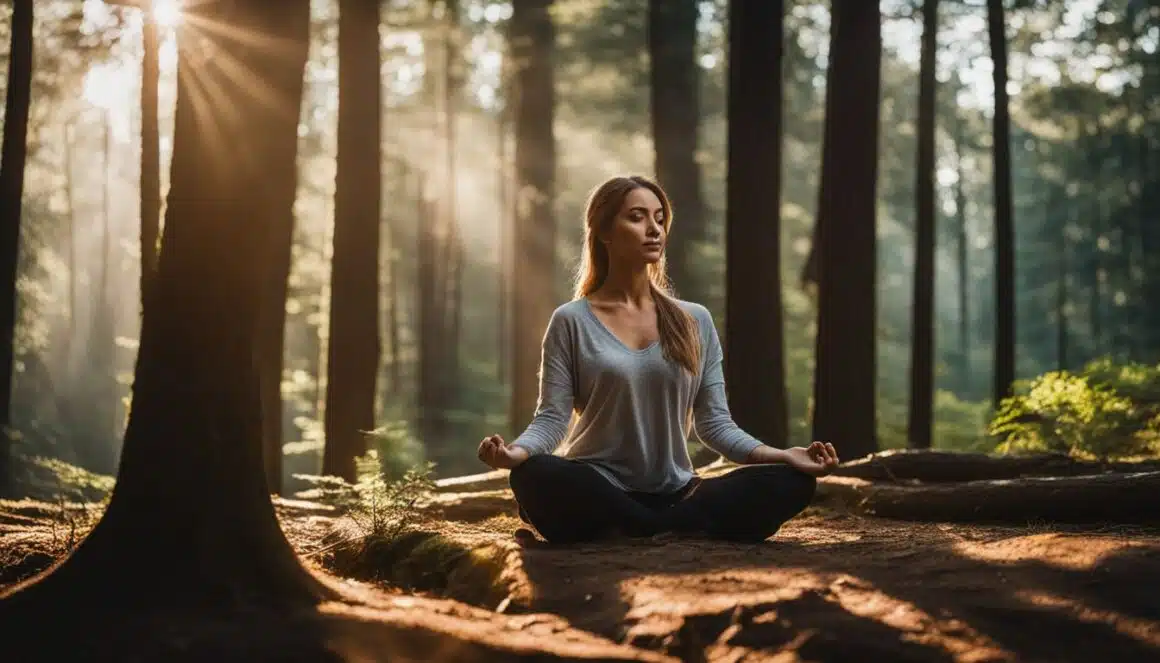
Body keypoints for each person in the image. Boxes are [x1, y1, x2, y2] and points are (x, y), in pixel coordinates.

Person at [477, 175, 840, 545]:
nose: (654, 229)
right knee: (532, 474)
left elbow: (715, 424)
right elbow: (552, 419)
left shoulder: (694, 320)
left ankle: (640, 527)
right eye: (636, 217)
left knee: (792, 481)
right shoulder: (571, 320)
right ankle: (672, 527)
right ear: (604, 231)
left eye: (659, 218)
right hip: (597, 485)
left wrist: (782, 455)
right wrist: (515, 453)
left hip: (678, 492)